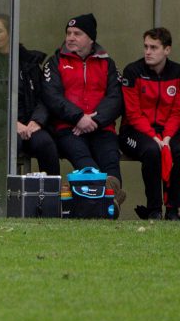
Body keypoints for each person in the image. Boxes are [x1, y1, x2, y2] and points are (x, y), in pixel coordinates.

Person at [0, 14, 59, 216]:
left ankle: (51, 202)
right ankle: (0, 201)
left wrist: (37, 121)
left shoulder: (28, 63)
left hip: (30, 126)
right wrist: (12, 123)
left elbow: (44, 98)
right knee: (10, 144)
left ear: (10, 33)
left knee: (46, 143)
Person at [42, 13, 126, 212]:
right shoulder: (55, 62)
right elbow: (52, 96)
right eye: (68, 33)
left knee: (110, 162)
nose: (70, 37)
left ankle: (104, 202)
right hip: (69, 128)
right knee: (85, 162)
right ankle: (106, 201)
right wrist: (79, 118)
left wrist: (93, 121)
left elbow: (116, 98)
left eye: (77, 33)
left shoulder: (108, 63)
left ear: (90, 38)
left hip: (101, 127)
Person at [120, 27, 180, 220]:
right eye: (146, 46)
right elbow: (133, 113)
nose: (148, 51)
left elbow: (177, 112)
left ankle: (172, 210)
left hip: (167, 131)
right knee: (152, 151)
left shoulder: (177, 73)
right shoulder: (133, 71)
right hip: (134, 131)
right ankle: (154, 210)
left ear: (167, 50)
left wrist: (167, 138)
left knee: (177, 150)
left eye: (154, 47)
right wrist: (155, 138)